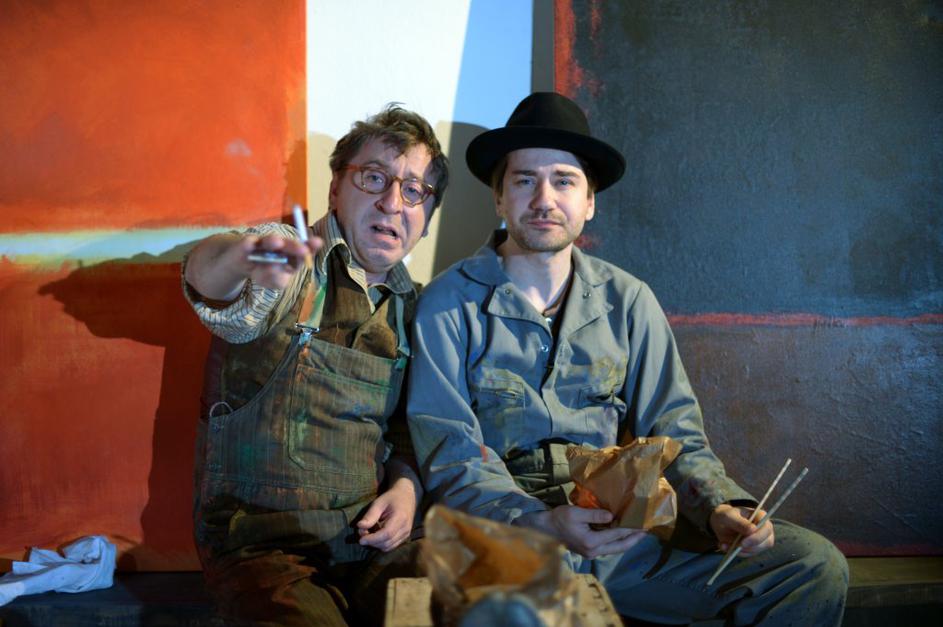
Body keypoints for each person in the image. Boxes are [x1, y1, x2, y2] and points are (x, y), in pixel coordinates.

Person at [407, 92, 848, 625]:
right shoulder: (447, 303)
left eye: (564, 181)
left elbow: (675, 432)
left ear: (589, 201)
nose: (544, 198)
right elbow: (450, 454)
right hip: (507, 535)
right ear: (499, 199)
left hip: (620, 536)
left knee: (811, 565)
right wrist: (539, 521)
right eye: (524, 181)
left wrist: (719, 507)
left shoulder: (629, 300)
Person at [182, 104, 448, 626]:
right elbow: (207, 278)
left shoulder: (415, 308)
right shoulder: (292, 264)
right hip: (262, 546)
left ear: (426, 217)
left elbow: (405, 432)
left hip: (372, 542)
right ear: (335, 190)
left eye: (415, 190)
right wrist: (245, 256)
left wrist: (406, 489)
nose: (393, 202)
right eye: (374, 178)